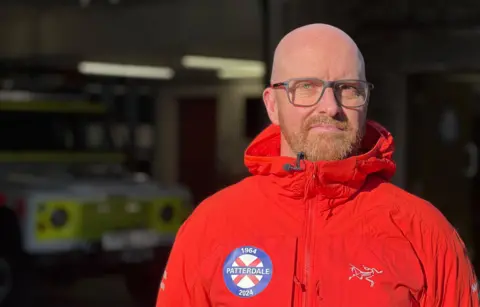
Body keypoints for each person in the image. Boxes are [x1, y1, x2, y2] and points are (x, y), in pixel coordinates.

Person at [156, 23, 479, 307]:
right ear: (272, 104)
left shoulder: (423, 231)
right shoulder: (211, 226)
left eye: (348, 89)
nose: (330, 106)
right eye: (306, 87)